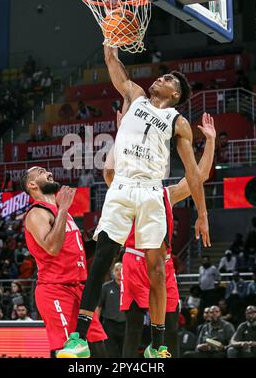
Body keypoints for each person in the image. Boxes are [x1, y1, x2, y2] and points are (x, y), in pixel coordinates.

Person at [59, 45, 210, 358]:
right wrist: (109, 46)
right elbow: (115, 68)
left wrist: (202, 214)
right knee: (101, 260)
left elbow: (194, 174)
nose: (160, 79)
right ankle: (79, 339)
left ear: (176, 93)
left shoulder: (176, 120)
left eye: (168, 78)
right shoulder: (135, 95)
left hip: (152, 190)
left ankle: (156, 346)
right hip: (123, 187)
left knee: (156, 269)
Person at [104, 112, 216, 358]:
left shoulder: (167, 194)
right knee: (132, 328)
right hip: (135, 262)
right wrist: (122, 133)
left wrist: (210, 141)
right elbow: (109, 174)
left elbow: (200, 176)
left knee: (172, 327)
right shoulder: (127, 191)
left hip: (163, 265)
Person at [20, 167, 107, 358]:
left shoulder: (61, 213)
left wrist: (102, 237)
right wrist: (64, 208)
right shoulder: (36, 213)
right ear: (31, 184)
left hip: (78, 290)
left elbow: (78, 251)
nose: (48, 172)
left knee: (98, 348)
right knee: (69, 354)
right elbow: (52, 247)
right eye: (41, 171)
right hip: (55, 290)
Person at [97, 262, 126, 358]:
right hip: (109, 325)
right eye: (116, 269)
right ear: (112, 272)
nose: (119, 272)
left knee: (125, 352)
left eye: (121, 269)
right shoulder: (106, 287)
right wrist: (97, 324)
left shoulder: (129, 286)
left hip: (125, 324)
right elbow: (99, 306)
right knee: (110, 353)